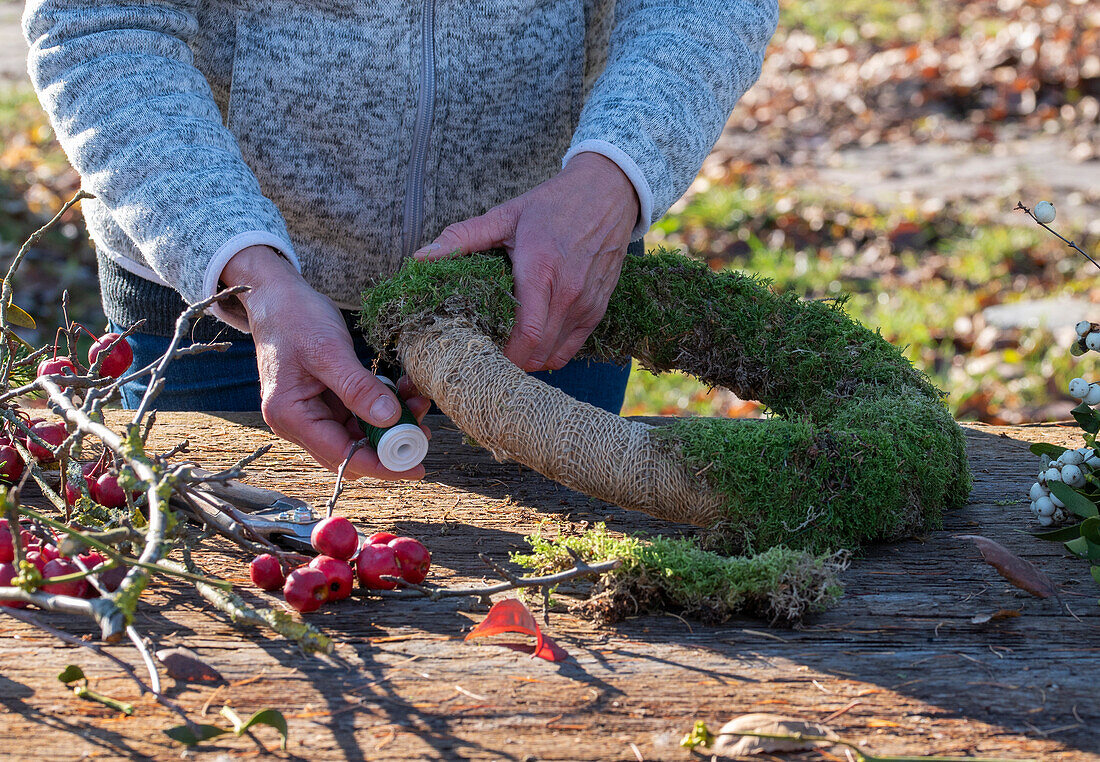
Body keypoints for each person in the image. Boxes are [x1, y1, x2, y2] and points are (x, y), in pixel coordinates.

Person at [22, 0, 778, 481]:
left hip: (544, 276)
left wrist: (615, 175)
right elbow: (103, 25)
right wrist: (241, 264)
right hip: (213, 298)